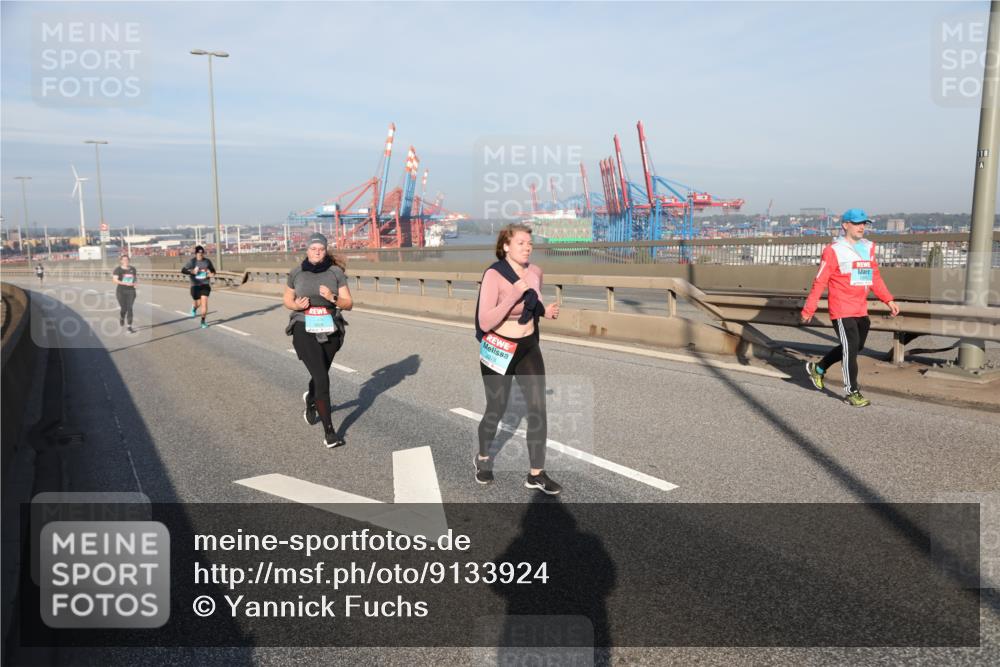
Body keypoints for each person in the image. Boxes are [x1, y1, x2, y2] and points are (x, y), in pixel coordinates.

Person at [474, 223, 561, 494]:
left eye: (530, 243)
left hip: (528, 346)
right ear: (506, 246)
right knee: (496, 409)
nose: (527, 247)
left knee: (538, 410)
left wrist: (545, 311)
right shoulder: (494, 275)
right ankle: (483, 458)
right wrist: (512, 294)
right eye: (521, 243)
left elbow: (533, 304)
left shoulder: (535, 272)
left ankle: (536, 474)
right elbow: (485, 320)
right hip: (499, 347)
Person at [800, 208, 900, 407]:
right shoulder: (834, 250)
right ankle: (852, 391)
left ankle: (818, 368)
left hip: (860, 308)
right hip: (841, 309)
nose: (861, 227)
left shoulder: (868, 248)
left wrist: (888, 299)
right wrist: (809, 309)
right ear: (845, 225)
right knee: (850, 351)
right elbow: (819, 281)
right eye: (857, 223)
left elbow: (874, 278)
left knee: (856, 346)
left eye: (864, 223)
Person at [283, 233, 353, 448]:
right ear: (307, 250)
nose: (317, 252)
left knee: (321, 372)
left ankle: (311, 398)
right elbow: (287, 299)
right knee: (322, 378)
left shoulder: (335, 273)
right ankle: (329, 432)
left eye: (320, 249)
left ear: (325, 251)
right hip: (304, 326)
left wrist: (332, 297)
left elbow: (348, 303)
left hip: (330, 327)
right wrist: (297, 306)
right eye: (313, 249)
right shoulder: (297, 273)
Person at [181, 245, 215, 329]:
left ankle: (203, 321)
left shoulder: (207, 261)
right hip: (195, 285)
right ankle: (194, 308)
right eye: (199, 254)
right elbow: (183, 270)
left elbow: (213, 270)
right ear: (196, 254)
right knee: (198, 303)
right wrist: (191, 272)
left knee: (204, 303)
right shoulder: (192, 262)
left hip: (205, 284)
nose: (201, 255)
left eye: (202, 254)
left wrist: (212, 274)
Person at [112, 254, 138, 333]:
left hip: (131, 291)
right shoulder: (118, 269)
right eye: (124, 260)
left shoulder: (133, 269)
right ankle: (122, 317)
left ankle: (129, 327)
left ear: (129, 260)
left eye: (127, 260)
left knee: (130, 308)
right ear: (121, 261)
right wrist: (125, 283)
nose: (125, 261)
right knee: (124, 308)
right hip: (121, 291)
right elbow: (115, 280)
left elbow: (135, 278)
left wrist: (135, 283)